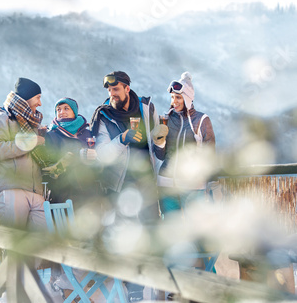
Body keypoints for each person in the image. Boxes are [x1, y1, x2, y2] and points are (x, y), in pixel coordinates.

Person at [90, 70, 160, 302]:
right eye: (109, 90)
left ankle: (158, 289)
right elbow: (101, 154)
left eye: (116, 89)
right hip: (119, 186)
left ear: (127, 88)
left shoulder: (147, 108)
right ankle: (135, 292)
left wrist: (160, 141)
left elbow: (158, 141)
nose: (112, 94)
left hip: (147, 183)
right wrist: (121, 140)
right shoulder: (104, 115)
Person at [0, 77, 48, 230]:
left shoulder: (30, 122)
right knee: (15, 248)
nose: (40, 103)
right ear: (26, 98)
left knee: (42, 248)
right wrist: (30, 142)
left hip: (35, 191)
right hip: (10, 189)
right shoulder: (0, 118)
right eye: (38, 98)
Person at [152, 71, 216, 218]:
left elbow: (210, 155)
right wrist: (159, 142)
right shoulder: (166, 119)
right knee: (170, 228)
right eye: (173, 97)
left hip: (192, 186)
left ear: (187, 98)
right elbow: (161, 156)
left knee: (195, 228)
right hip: (167, 184)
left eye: (178, 97)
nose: (174, 101)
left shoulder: (201, 120)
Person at [41, 97, 100, 206]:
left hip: (89, 192)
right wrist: (77, 155)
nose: (62, 112)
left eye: (66, 108)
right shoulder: (51, 135)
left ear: (74, 111)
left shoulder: (87, 133)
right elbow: (49, 167)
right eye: (58, 110)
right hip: (63, 194)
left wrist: (95, 159)